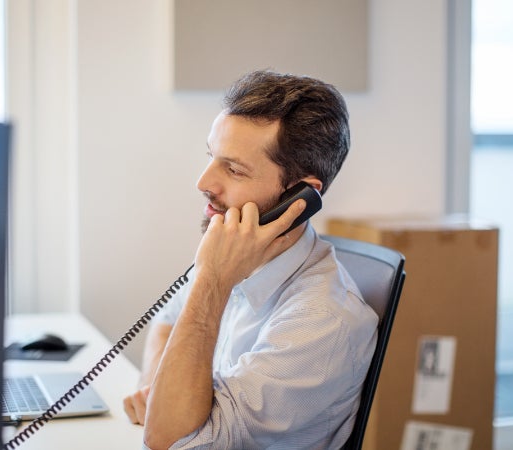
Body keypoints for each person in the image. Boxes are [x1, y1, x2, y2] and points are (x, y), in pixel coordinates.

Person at [123, 70, 378, 449]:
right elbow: (167, 321)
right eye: (211, 157)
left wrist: (212, 280)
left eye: (234, 169)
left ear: (299, 197)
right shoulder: (238, 256)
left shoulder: (322, 324)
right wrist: (154, 389)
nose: (203, 182)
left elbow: (172, 441)